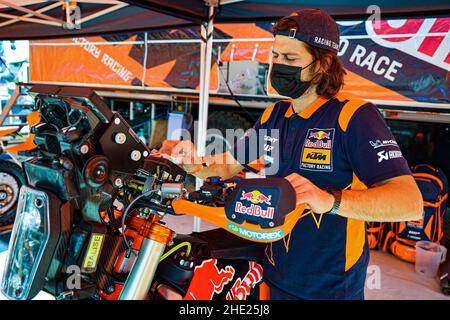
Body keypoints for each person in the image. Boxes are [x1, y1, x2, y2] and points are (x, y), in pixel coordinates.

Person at [158, 8, 423, 300]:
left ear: (322, 64)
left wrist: (329, 200)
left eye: (290, 58)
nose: (278, 65)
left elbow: (409, 202)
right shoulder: (276, 114)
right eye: (276, 56)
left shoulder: (354, 116)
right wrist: (192, 161)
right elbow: (228, 166)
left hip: (331, 287)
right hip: (274, 273)